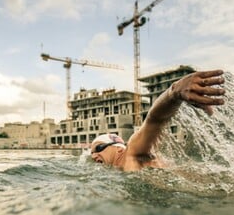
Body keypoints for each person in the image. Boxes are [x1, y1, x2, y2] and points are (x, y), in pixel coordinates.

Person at [90, 69, 225, 172]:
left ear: (118, 149)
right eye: (92, 153)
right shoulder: (118, 169)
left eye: (98, 148)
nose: (94, 155)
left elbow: (154, 120)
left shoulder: (130, 154)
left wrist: (174, 91)